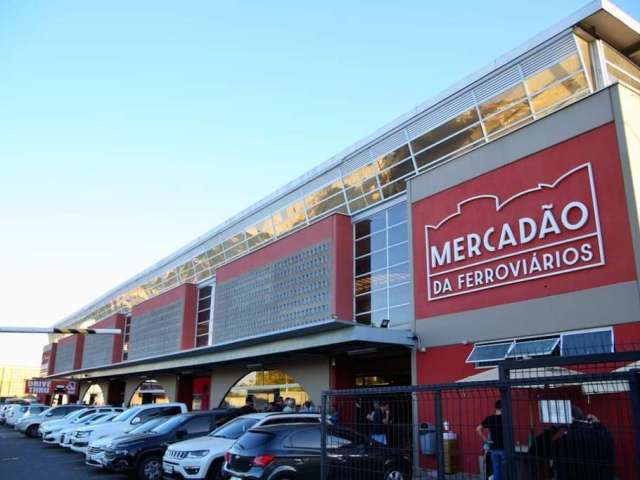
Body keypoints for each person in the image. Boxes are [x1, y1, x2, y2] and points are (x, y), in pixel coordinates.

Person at [551, 406, 614, 480]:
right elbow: (608, 439)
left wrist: (554, 428)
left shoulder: (565, 439)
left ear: (571, 418)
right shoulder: (602, 434)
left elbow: (557, 463)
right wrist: (599, 424)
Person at [476, 400, 504, 480]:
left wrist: (486, 440)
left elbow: (478, 429)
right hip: (505, 447)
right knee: (507, 470)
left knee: (496, 471)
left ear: (496, 408)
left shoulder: (490, 418)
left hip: (494, 447)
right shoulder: (506, 418)